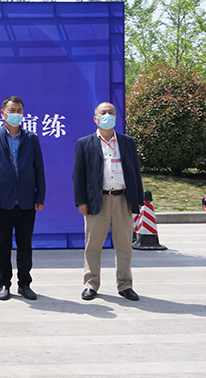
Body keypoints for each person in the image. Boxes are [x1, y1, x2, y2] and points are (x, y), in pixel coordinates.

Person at [72, 101, 143, 302]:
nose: (107, 116)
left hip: (122, 200)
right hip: (97, 200)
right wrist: (81, 201)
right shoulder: (85, 143)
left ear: (116, 117)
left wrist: (137, 199)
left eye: (111, 112)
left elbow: (135, 172)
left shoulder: (127, 142)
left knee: (124, 246)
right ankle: (91, 284)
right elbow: (78, 175)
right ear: (96, 119)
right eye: (103, 113)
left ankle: (125, 285)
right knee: (93, 246)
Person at [0, 96, 46, 301]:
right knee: (3, 246)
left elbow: (39, 169)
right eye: (12, 110)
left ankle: (24, 284)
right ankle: (4, 283)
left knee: (25, 245)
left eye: (19, 111)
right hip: (2, 201)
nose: (15, 114)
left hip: (27, 200)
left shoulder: (32, 139)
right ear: (3, 113)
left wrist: (40, 195)